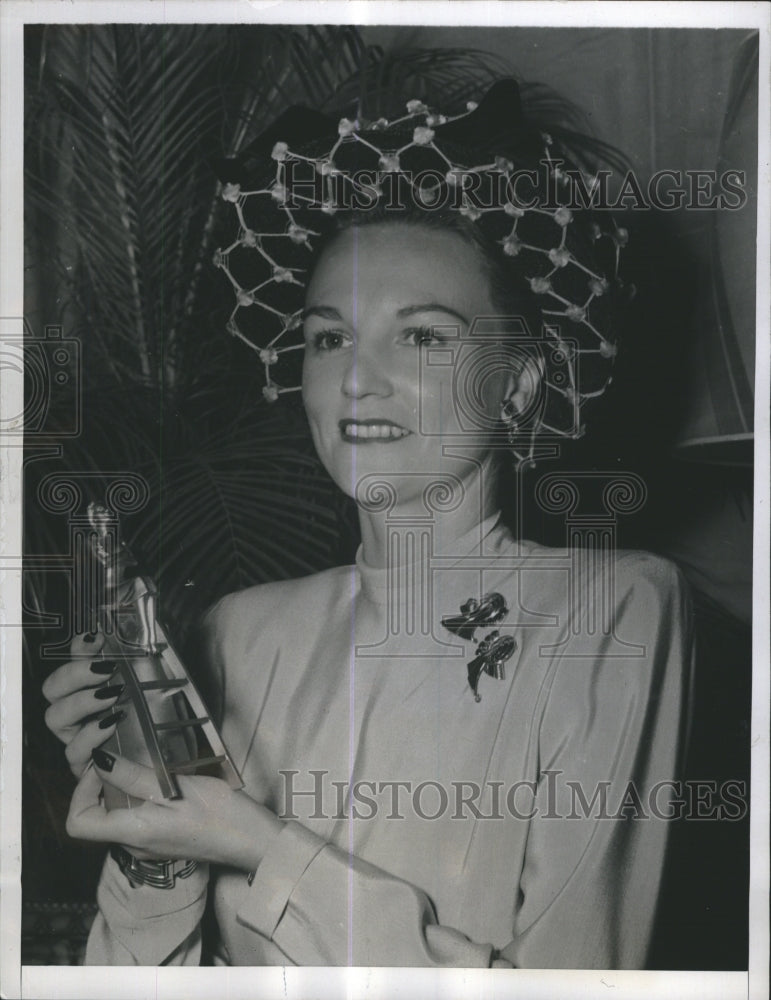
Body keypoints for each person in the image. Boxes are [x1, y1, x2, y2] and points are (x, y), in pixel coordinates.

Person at [42, 80, 694, 968]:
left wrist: (263, 846)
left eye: (422, 337)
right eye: (326, 338)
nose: (355, 379)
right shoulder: (241, 629)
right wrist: (155, 850)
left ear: (518, 382)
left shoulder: (614, 608)